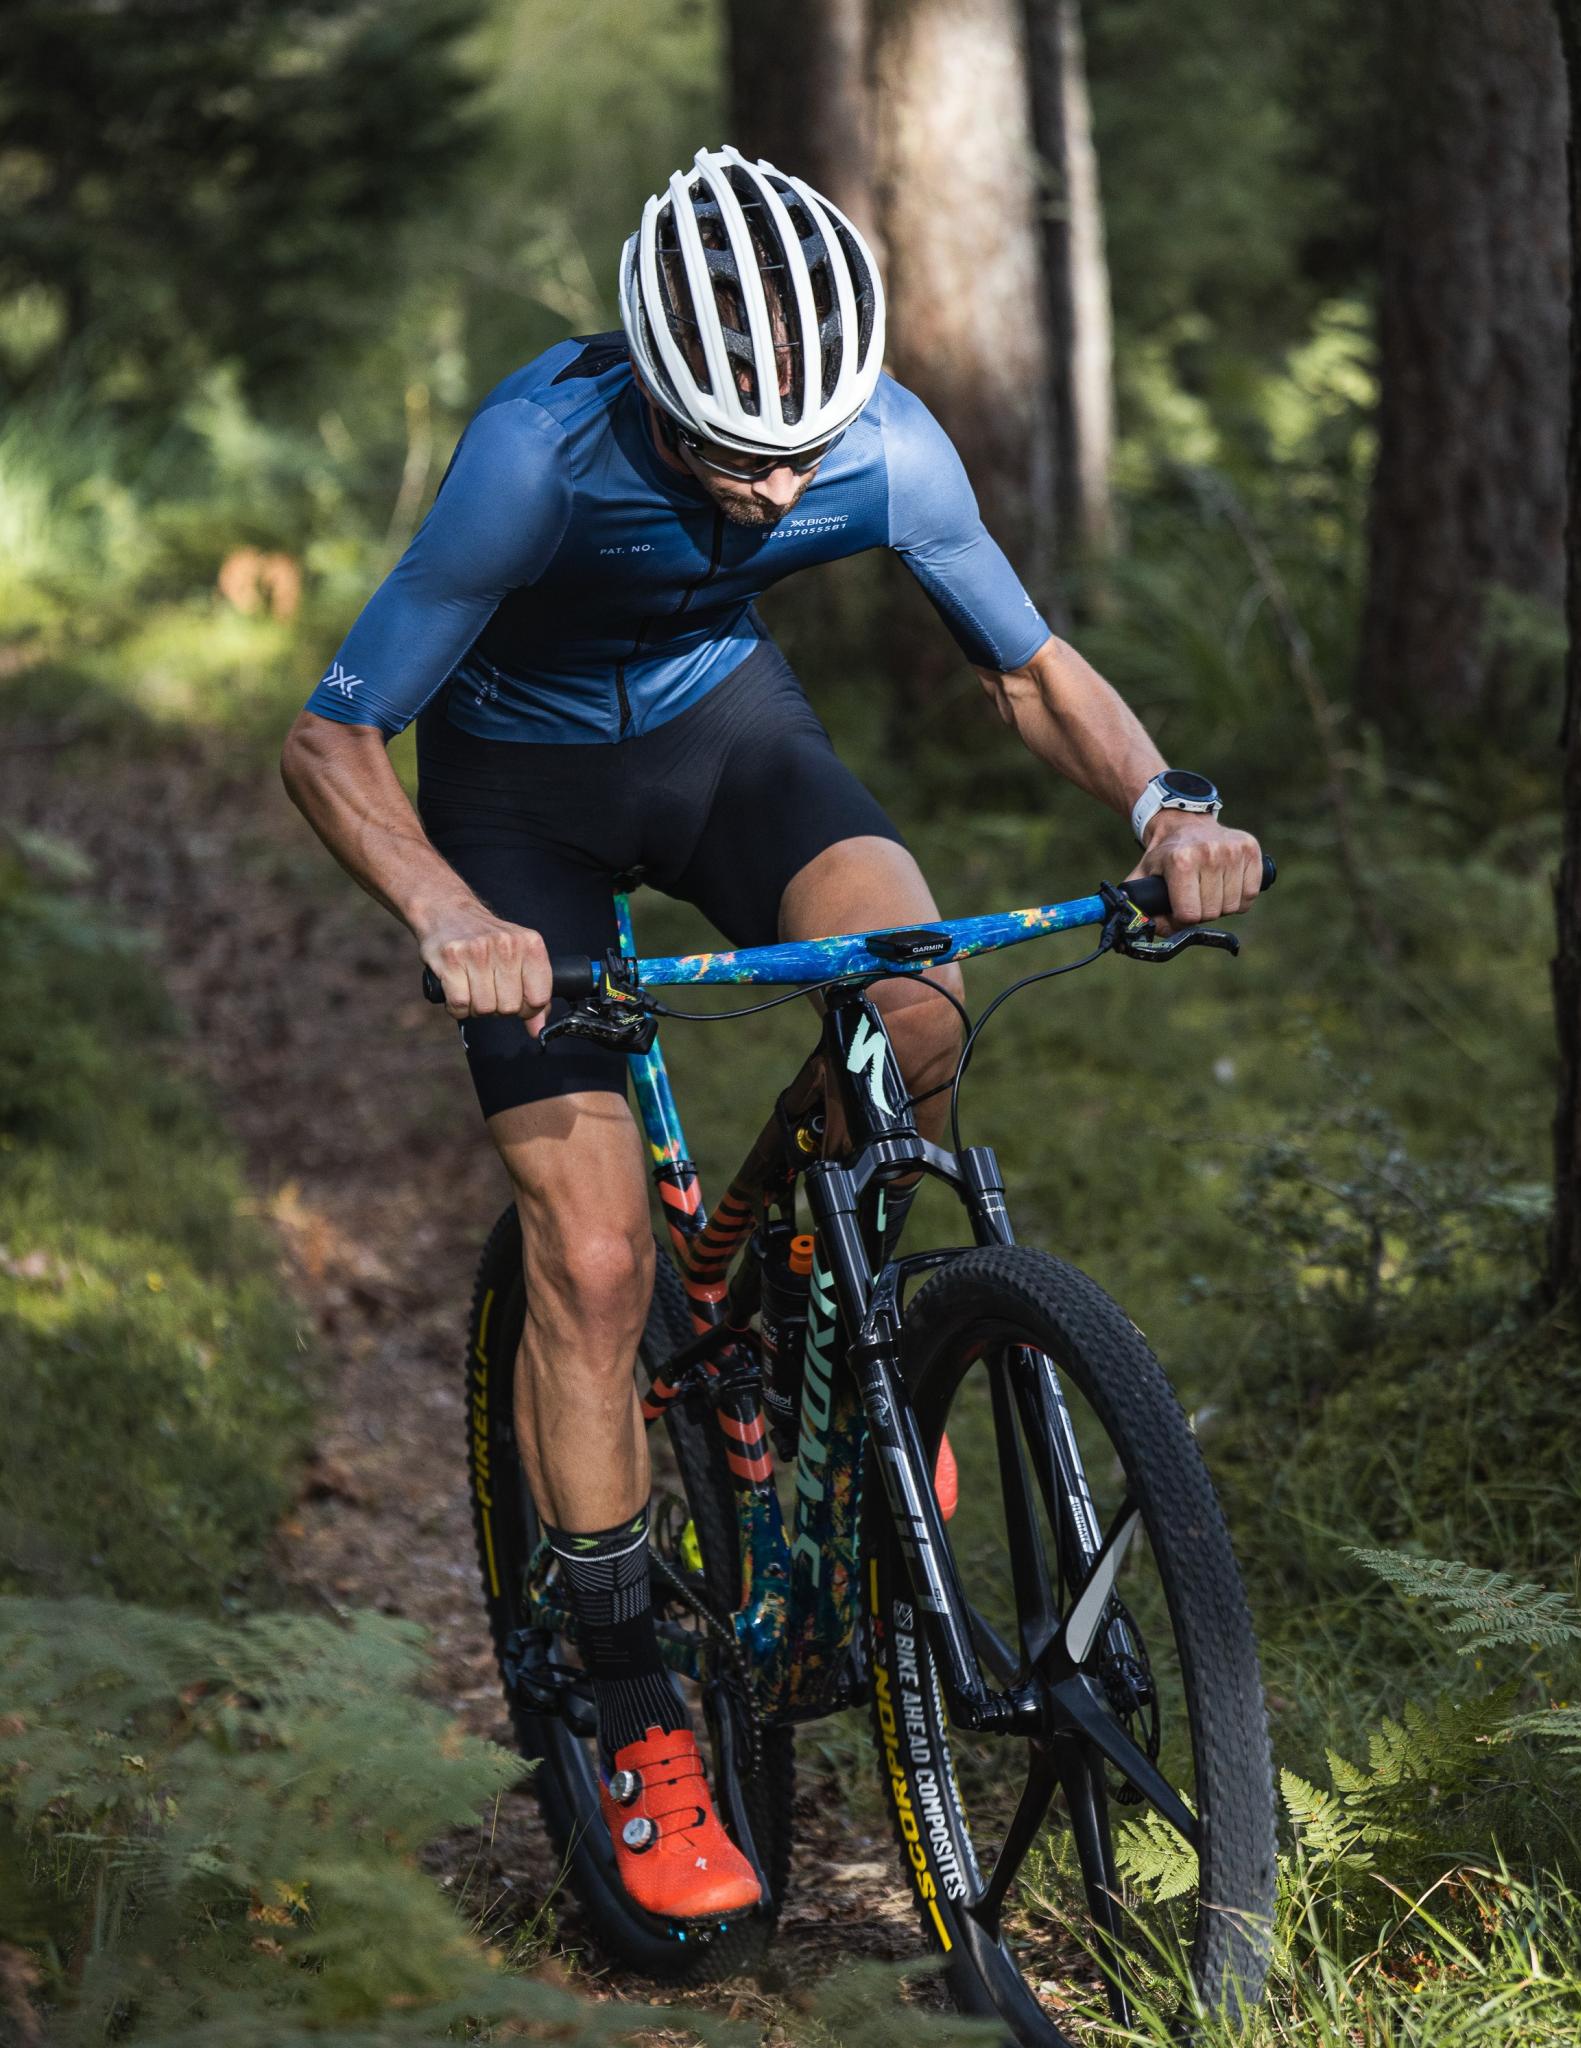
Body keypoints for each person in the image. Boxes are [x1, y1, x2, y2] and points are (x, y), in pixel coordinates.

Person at [280, 145, 1263, 1928]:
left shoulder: (885, 443)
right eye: (739, 457)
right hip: (516, 801)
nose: (781, 487)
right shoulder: (534, 455)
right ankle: (633, 1710)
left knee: (918, 1001)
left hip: (728, 740)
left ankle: (840, 1335)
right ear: (658, 400)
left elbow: (1029, 668)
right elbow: (334, 737)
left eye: (806, 452)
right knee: (592, 1259)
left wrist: (1165, 806)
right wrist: (447, 916)